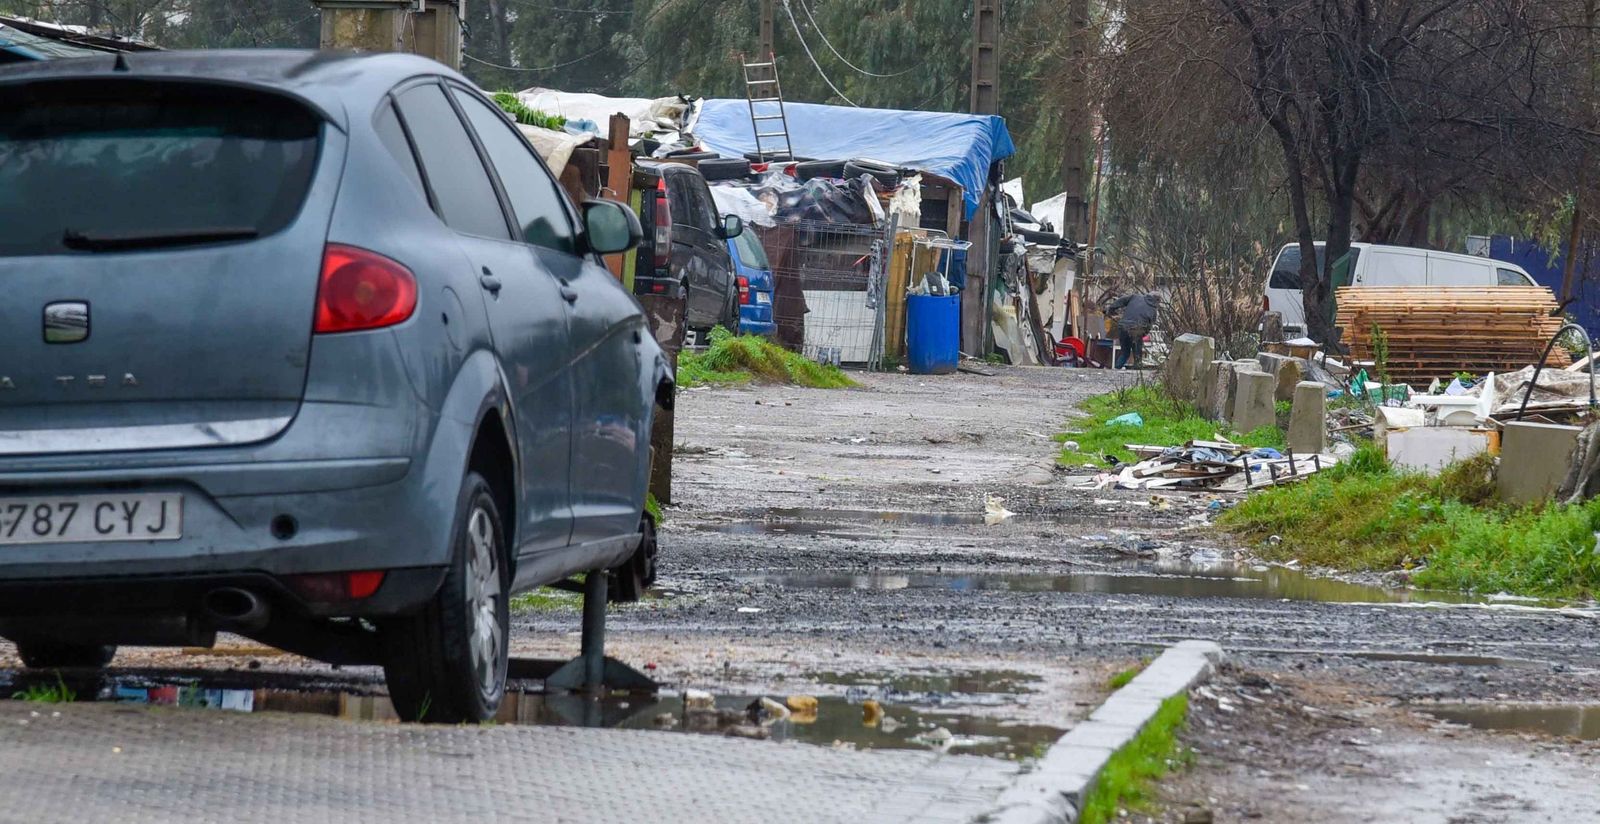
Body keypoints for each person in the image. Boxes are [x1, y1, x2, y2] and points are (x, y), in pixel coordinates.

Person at [1105, 292, 1160, 369]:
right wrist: (1142, 334)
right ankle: (1136, 376)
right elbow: (1148, 327)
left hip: (1123, 327)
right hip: (1137, 330)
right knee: (1137, 356)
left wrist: (1112, 308)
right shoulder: (1153, 310)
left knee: (1125, 353)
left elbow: (1121, 300)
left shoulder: (1135, 297)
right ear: (1157, 301)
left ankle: (1116, 370)